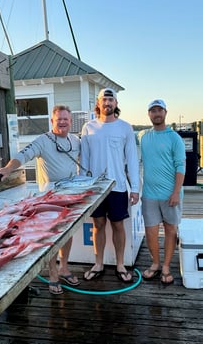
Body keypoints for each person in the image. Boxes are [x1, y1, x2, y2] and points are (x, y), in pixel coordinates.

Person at [0, 105, 81, 294]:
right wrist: (8, 169)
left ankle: (64, 267)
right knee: (51, 235)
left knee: (68, 233)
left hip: (70, 195)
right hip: (49, 198)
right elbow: (23, 155)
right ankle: (52, 274)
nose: (63, 122)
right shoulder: (43, 141)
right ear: (52, 121)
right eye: (59, 119)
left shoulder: (75, 140)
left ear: (71, 121)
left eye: (66, 119)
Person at [80, 88, 140, 283]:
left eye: (111, 99)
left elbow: (131, 159)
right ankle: (98, 263)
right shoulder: (88, 127)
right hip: (95, 188)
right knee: (98, 225)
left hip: (118, 187)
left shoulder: (125, 128)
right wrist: (83, 188)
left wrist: (135, 188)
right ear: (98, 103)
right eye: (104, 99)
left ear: (116, 103)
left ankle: (120, 264)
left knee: (118, 225)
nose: (107, 103)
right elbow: (85, 161)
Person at [139, 99, 186, 285]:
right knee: (150, 232)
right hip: (149, 194)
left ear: (165, 113)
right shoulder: (142, 136)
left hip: (170, 195)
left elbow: (181, 166)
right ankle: (155, 263)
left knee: (170, 230)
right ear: (148, 114)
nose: (156, 113)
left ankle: (166, 266)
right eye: (153, 110)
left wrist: (176, 192)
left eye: (160, 110)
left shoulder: (174, 137)